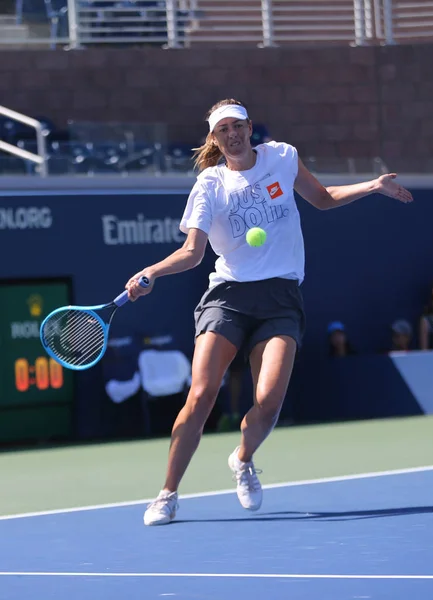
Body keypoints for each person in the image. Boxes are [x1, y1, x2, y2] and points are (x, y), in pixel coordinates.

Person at [125, 98, 413, 526]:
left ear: (249, 127)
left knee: (269, 402)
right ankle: (167, 493)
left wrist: (372, 186)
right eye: (223, 130)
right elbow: (192, 252)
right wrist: (152, 271)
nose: (232, 134)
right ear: (215, 138)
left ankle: (242, 459)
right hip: (228, 297)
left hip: (280, 297)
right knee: (201, 395)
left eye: (237, 126)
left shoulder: (282, 157)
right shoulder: (210, 184)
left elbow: (323, 197)